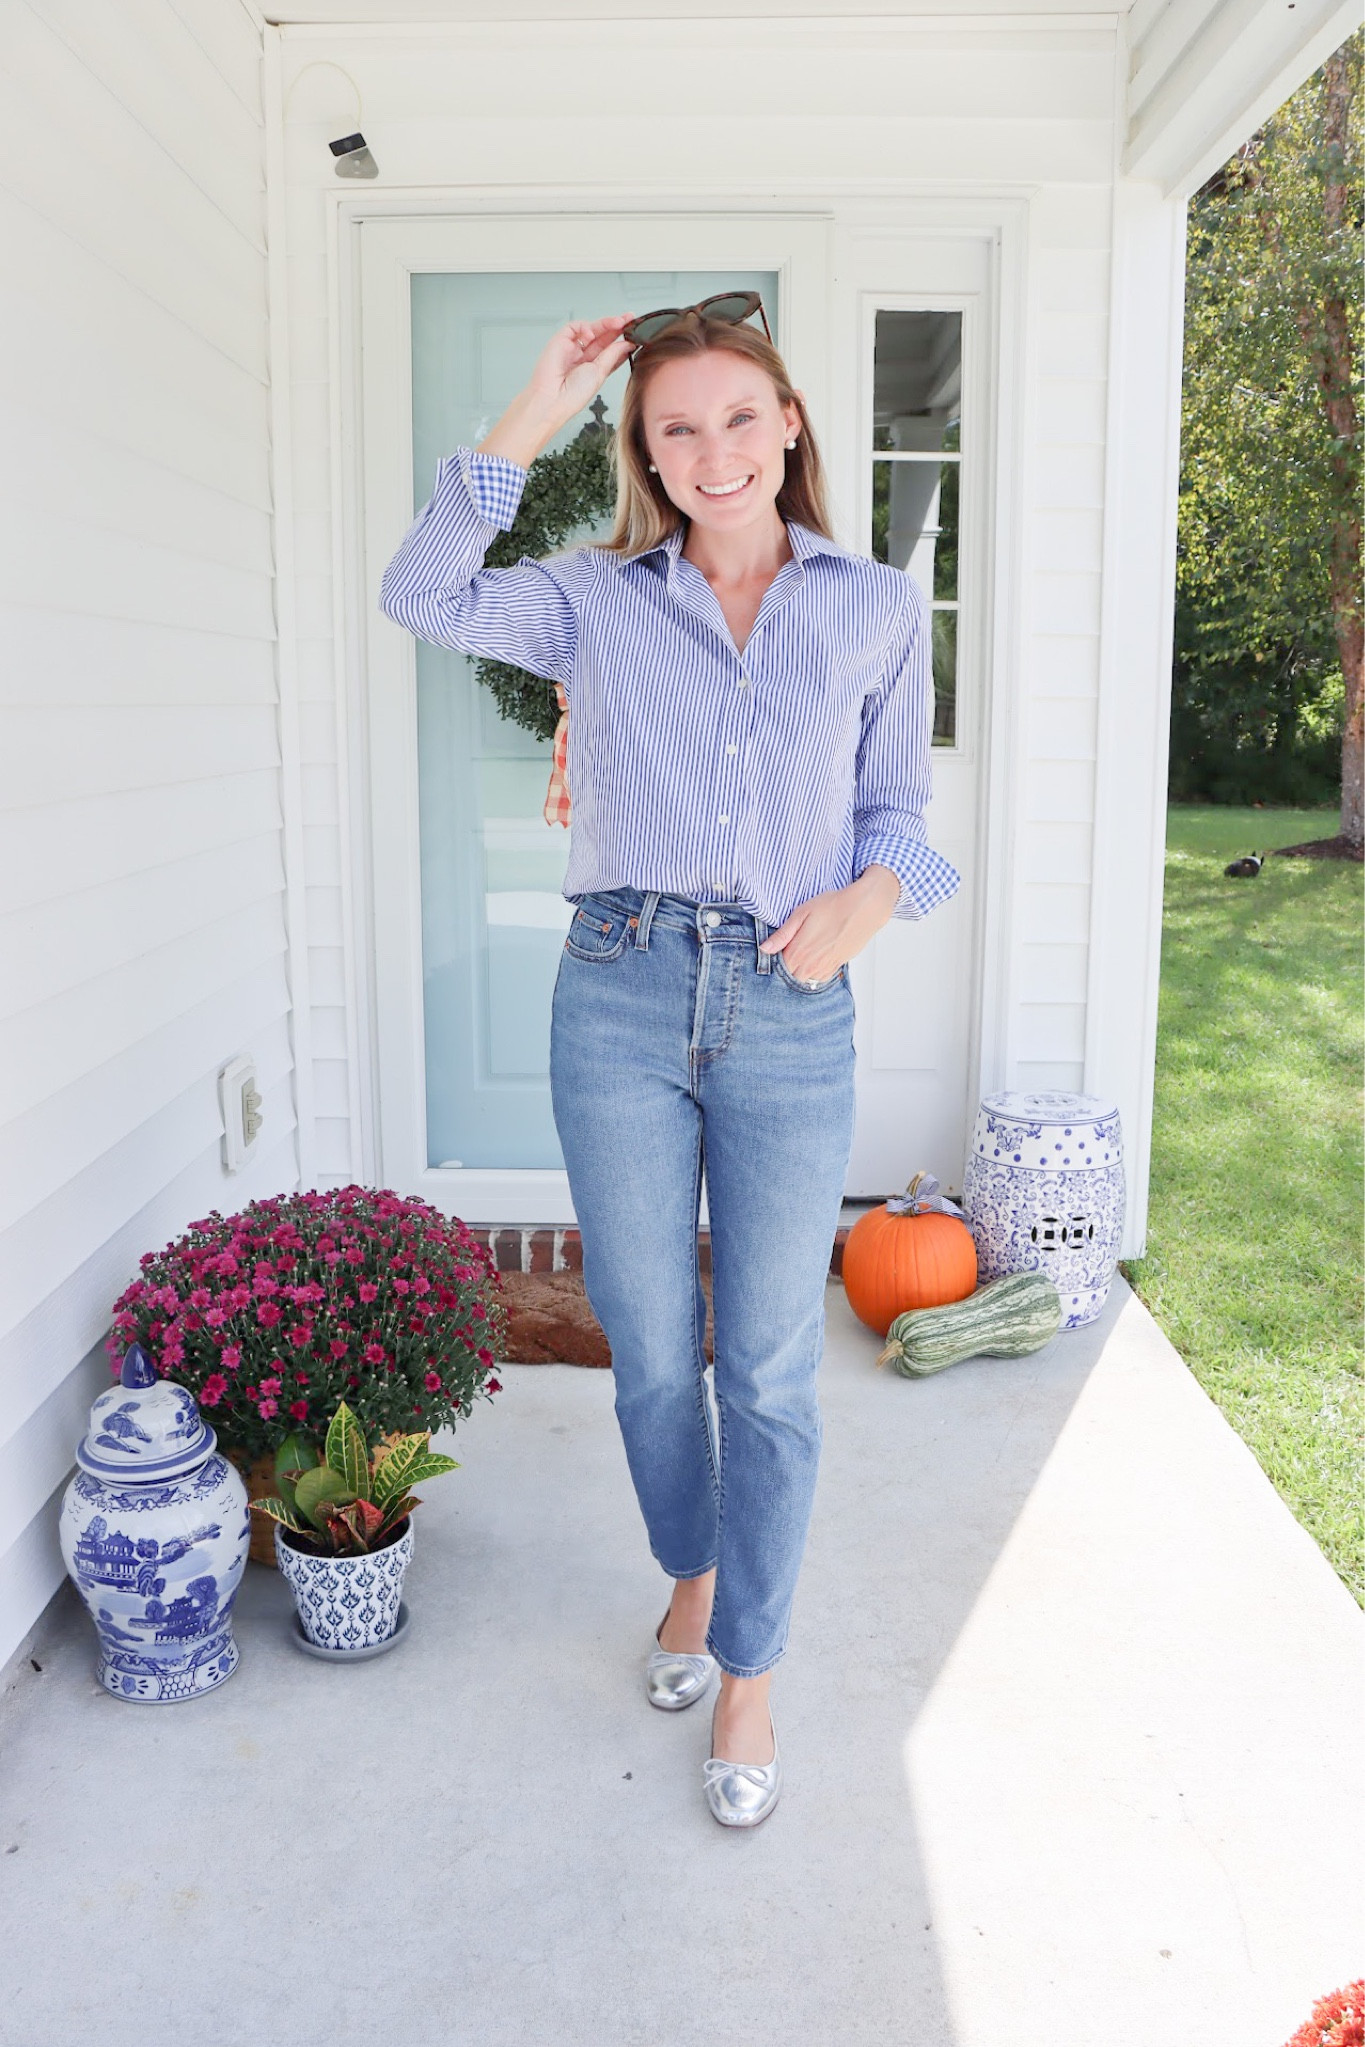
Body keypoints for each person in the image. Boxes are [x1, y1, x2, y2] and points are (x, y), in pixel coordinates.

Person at [379, 301, 960, 1828]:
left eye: (736, 418)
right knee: (650, 1352)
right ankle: (691, 1582)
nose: (710, 451)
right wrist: (538, 400)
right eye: (672, 427)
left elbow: (904, 816)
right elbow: (422, 589)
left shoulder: (876, 609)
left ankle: (751, 1667)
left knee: (768, 1366)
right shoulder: (589, 599)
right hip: (620, 990)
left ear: (789, 428)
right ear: (643, 451)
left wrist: (869, 900)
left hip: (786, 998)